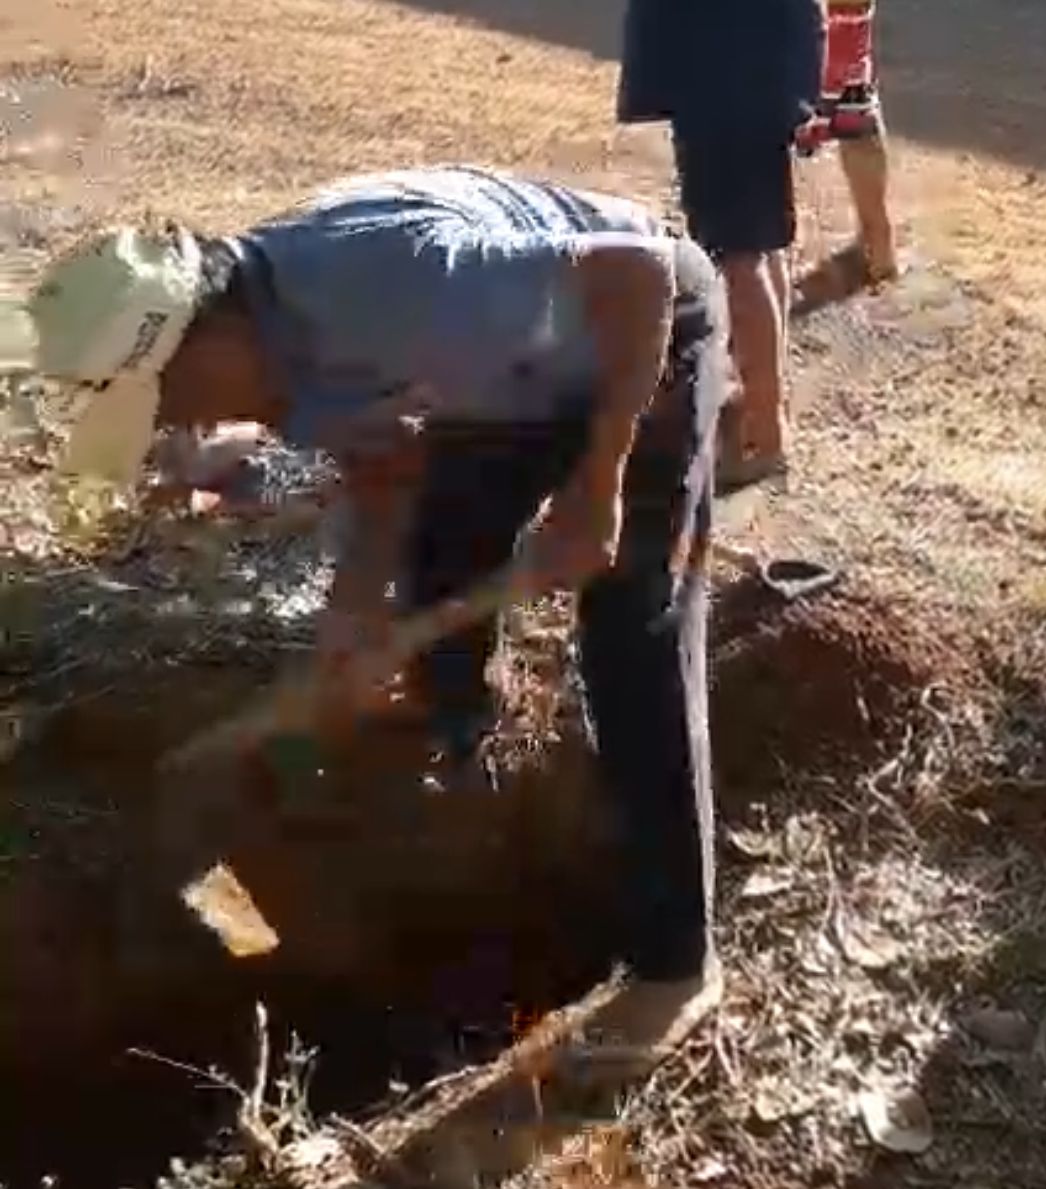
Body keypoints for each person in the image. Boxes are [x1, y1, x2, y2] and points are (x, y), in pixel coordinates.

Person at [24, 165, 728, 1073]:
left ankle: (678, 965)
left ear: (203, 335)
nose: (178, 425)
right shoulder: (274, 353)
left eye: (167, 400)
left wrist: (596, 488)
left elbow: (638, 276)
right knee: (441, 564)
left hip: (640, 334)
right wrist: (355, 609)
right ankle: (455, 775)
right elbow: (387, 460)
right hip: (513, 368)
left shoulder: (390, 287)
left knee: (633, 628)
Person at [618, 0, 826, 490]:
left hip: (718, 89)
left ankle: (766, 433)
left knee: (739, 259)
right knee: (763, 247)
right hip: (763, 85)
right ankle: (768, 404)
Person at [795, 0, 897, 288]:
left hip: (791, 64)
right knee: (859, 128)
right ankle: (878, 245)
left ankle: (765, 261)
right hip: (843, 71)